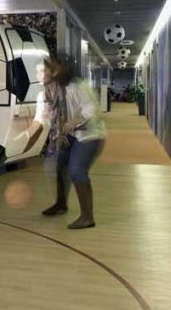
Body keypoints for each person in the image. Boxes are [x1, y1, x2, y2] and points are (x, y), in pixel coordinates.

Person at [41, 58, 107, 229]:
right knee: (60, 166)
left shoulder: (79, 86)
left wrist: (74, 122)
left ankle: (87, 217)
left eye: (49, 69)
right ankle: (61, 204)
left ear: (60, 70)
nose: (45, 73)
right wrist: (60, 133)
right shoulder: (54, 89)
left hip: (90, 134)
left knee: (76, 170)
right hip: (71, 134)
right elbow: (56, 113)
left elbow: (91, 109)